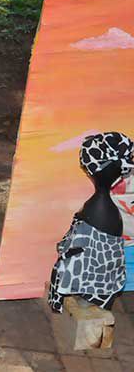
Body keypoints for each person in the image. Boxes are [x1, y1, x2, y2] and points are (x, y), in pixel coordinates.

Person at [48, 132, 134, 313]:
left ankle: (91, 295)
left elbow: (99, 258)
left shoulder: (101, 208)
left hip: (95, 281)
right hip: (94, 279)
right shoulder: (102, 207)